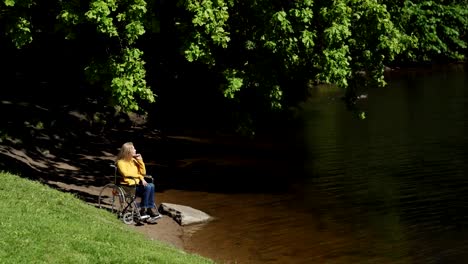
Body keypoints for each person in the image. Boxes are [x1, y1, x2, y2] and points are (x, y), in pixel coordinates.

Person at [116, 142, 161, 221]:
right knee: (147, 187)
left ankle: (149, 209)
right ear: (128, 151)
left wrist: (141, 161)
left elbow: (143, 173)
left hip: (136, 185)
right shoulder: (120, 162)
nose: (135, 150)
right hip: (128, 187)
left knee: (151, 185)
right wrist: (140, 177)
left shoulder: (134, 160)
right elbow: (126, 173)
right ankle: (143, 210)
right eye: (133, 148)